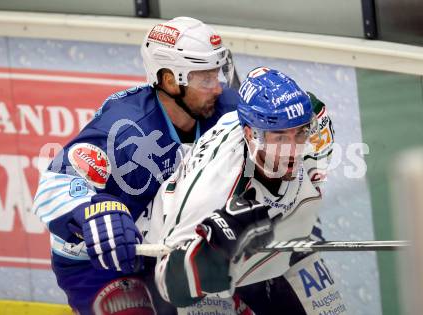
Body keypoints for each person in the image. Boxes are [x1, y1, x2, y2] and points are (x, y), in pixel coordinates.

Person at [32, 16, 238, 315]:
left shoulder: (224, 110)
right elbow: (53, 186)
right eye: (205, 79)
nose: (217, 88)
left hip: (161, 249)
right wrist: (90, 211)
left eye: (216, 75)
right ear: (170, 80)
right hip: (96, 260)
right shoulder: (124, 127)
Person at [147, 67, 346, 314]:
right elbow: (169, 286)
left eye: (301, 133)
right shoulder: (213, 189)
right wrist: (216, 247)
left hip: (275, 242)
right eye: (281, 138)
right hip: (205, 253)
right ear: (251, 135)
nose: (294, 149)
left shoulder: (312, 129)